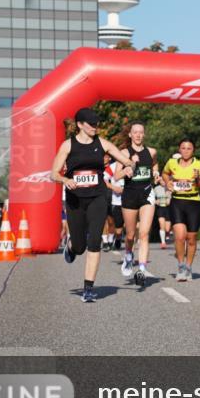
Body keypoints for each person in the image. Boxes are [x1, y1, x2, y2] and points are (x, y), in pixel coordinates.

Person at [50, 108, 137, 302]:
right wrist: (65, 179)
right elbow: (53, 173)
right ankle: (72, 246)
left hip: (98, 197)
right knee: (80, 246)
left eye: (96, 123)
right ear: (80, 125)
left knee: (94, 241)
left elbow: (127, 161)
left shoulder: (103, 144)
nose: (95, 127)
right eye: (90, 124)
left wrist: (131, 167)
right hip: (75, 199)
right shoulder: (68, 145)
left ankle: (88, 288)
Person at [118, 122, 159, 286]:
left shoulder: (152, 151)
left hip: (147, 194)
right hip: (129, 195)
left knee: (143, 233)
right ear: (130, 135)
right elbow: (116, 176)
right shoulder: (124, 153)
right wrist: (130, 165)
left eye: (141, 132)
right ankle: (128, 255)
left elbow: (154, 163)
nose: (138, 135)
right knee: (130, 235)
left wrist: (156, 172)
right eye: (135, 132)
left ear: (144, 134)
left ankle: (141, 269)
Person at [162, 139, 200, 281]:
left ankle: (189, 266)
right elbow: (165, 173)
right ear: (179, 150)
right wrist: (168, 182)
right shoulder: (172, 162)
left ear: (193, 150)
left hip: (193, 202)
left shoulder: (199, 165)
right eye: (183, 148)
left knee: (192, 239)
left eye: (189, 148)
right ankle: (181, 266)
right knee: (180, 236)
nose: (186, 150)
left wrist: (198, 178)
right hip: (177, 202)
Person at [102, 153, 125, 252]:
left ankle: (117, 239)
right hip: (113, 199)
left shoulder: (132, 165)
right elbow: (103, 179)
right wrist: (113, 187)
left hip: (130, 199)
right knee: (108, 221)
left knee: (119, 225)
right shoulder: (113, 167)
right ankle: (107, 241)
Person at [153, 182, 172, 249]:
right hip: (160, 208)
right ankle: (163, 243)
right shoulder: (156, 188)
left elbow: (173, 198)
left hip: (168, 209)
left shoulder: (170, 187)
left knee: (167, 228)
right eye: (162, 179)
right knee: (162, 225)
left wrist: (169, 199)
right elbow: (152, 198)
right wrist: (155, 201)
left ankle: (167, 233)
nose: (163, 181)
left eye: (164, 180)